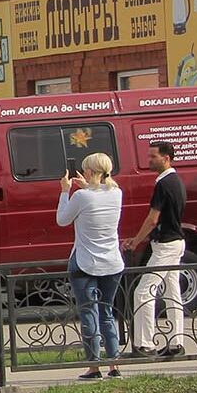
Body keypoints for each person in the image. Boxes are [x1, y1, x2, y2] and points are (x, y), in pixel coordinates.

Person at [58, 151, 126, 380]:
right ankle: (114, 364)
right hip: (112, 262)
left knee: (89, 313)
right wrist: (87, 186)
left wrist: (65, 191)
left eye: (86, 168)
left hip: (85, 262)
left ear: (90, 171)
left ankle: (94, 366)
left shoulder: (81, 196)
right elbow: (100, 194)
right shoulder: (117, 193)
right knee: (107, 313)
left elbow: (62, 220)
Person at [127, 140, 188, 357]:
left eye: (153, 156)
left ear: (166, 158)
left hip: (165, 245)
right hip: (176, 241)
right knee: (172, 293)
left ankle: (145, 344)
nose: (149, 160)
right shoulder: (177, 181)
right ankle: (176, 343)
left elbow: (153, 219)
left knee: (143, 291)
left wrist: (135, 241)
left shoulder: (163, 184)